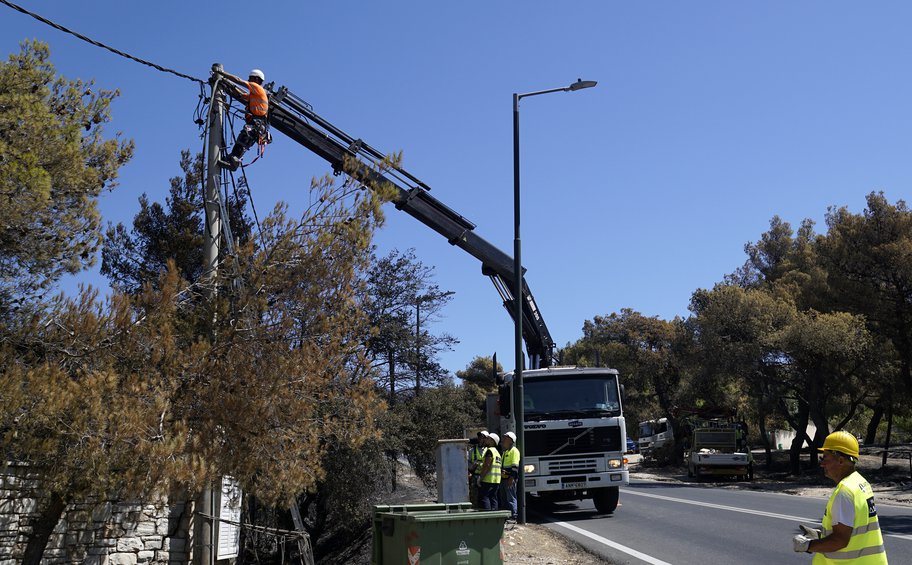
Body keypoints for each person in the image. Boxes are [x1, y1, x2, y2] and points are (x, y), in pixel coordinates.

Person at [792, 431, 888, 563]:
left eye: (825, 458)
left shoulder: (845, 492)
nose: (822, 464)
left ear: (841, 460)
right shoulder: (860, 482)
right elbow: (854, 529)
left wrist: (808, 545)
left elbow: (840, 540)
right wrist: (821, 536)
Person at [219, 69, 269, 171]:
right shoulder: (255, 94)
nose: (248, 80)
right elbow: (240, 95)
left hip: (256, 124)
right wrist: (229, 87)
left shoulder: (257, 87)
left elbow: (238, 80)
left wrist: (222, 73)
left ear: (256, 79)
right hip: (258, 126)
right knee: (243, 142)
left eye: (250, 78)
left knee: (243, 139)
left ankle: (234, 160)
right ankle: (233, 159)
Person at [476, 432, 502, 510]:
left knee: (485, 497)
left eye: (487, 438)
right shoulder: (497, 453)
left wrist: (480, 478)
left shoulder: (489, 451)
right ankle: (495, 518)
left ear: (492, 441)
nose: (485, 440)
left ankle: (488, 518)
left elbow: (487, 465)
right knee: (493, 498)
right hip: (496, 481)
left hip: (488, 480)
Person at [499, 431, 520, 520]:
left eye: (505, 438)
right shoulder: (505, 452)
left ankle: (513, 516)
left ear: (510, 440)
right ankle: (507, 515)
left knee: (511, 498)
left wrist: (511, 478)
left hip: (509, 479)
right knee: (505, 498)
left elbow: (515, 467)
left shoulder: (514, 451)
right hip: (504, 479)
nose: (503, 440)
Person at [467, 431, 487, 508]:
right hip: (475, 476)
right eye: (479, 437)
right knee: (474, 496)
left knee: (484, 497)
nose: (480, 439)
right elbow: (468, 462)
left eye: (482, 437)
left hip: (485, 476)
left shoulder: (489, 450)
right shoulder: (472, 450)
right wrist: (471, 467)